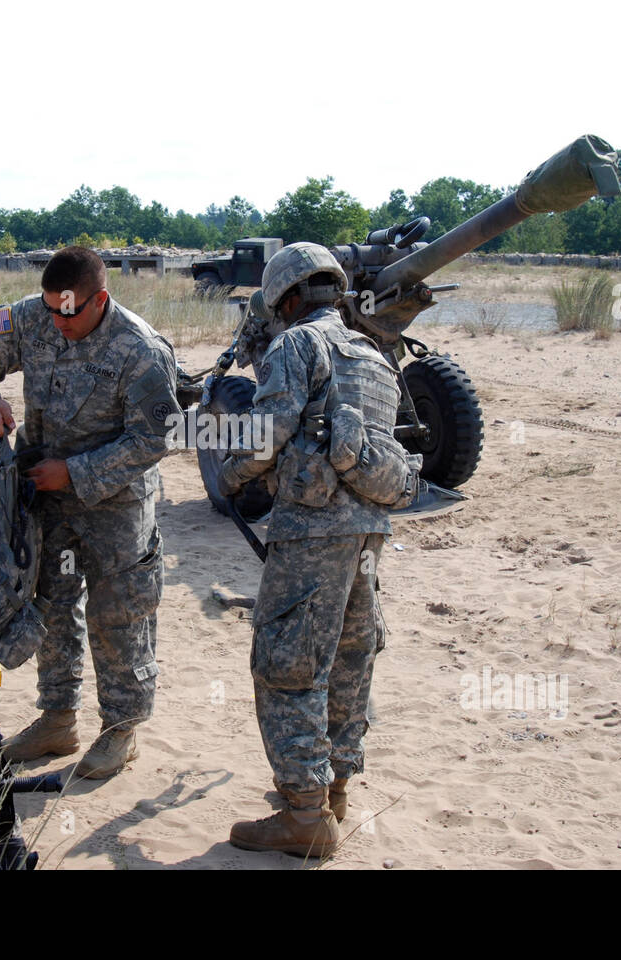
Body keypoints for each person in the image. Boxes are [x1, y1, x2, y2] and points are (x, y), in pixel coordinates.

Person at [218, 242, 414, 858]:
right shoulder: (376, 356)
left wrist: (231, 474)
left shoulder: (297, 345)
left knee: (287, 664)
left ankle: (303, 818)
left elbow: (268, 432)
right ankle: (334, 795)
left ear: (290, 298)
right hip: (369, 533)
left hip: (312, 532)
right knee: (351, 658)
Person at [0, 246, 180, 779]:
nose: (58, 322)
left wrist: (76, 472)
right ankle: (58, 719)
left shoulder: (141, 349)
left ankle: (120, 730)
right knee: (52, 603)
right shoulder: (33, 316)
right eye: (51, 309)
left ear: (100, 298)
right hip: (46, 500)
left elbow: (156, 437)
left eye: (70, 312)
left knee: (118, 613)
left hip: (116, 505)